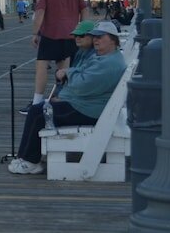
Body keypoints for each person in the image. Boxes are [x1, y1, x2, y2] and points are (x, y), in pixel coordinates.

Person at [9, 21, 127, 174]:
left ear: (113, 40)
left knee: (37, 113)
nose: (96, 40)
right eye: (95, 37)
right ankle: (29, 157)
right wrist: (71, 76)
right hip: (89, 106)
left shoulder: (108, 64)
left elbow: (80, 85)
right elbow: (81, 75)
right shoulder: (105, 57)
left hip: (88, 110)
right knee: (40, 110)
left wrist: (68, 74)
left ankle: (30, 161)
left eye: (100, 37)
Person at [30, 0, 90, 107]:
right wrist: (82, 28)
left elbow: (40, 12)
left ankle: (37, 101)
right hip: (71, 35)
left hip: (51, 34)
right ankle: (61, 97)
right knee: (63, 68)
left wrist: (34, 33)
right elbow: (85, 9)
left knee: (42, 65)